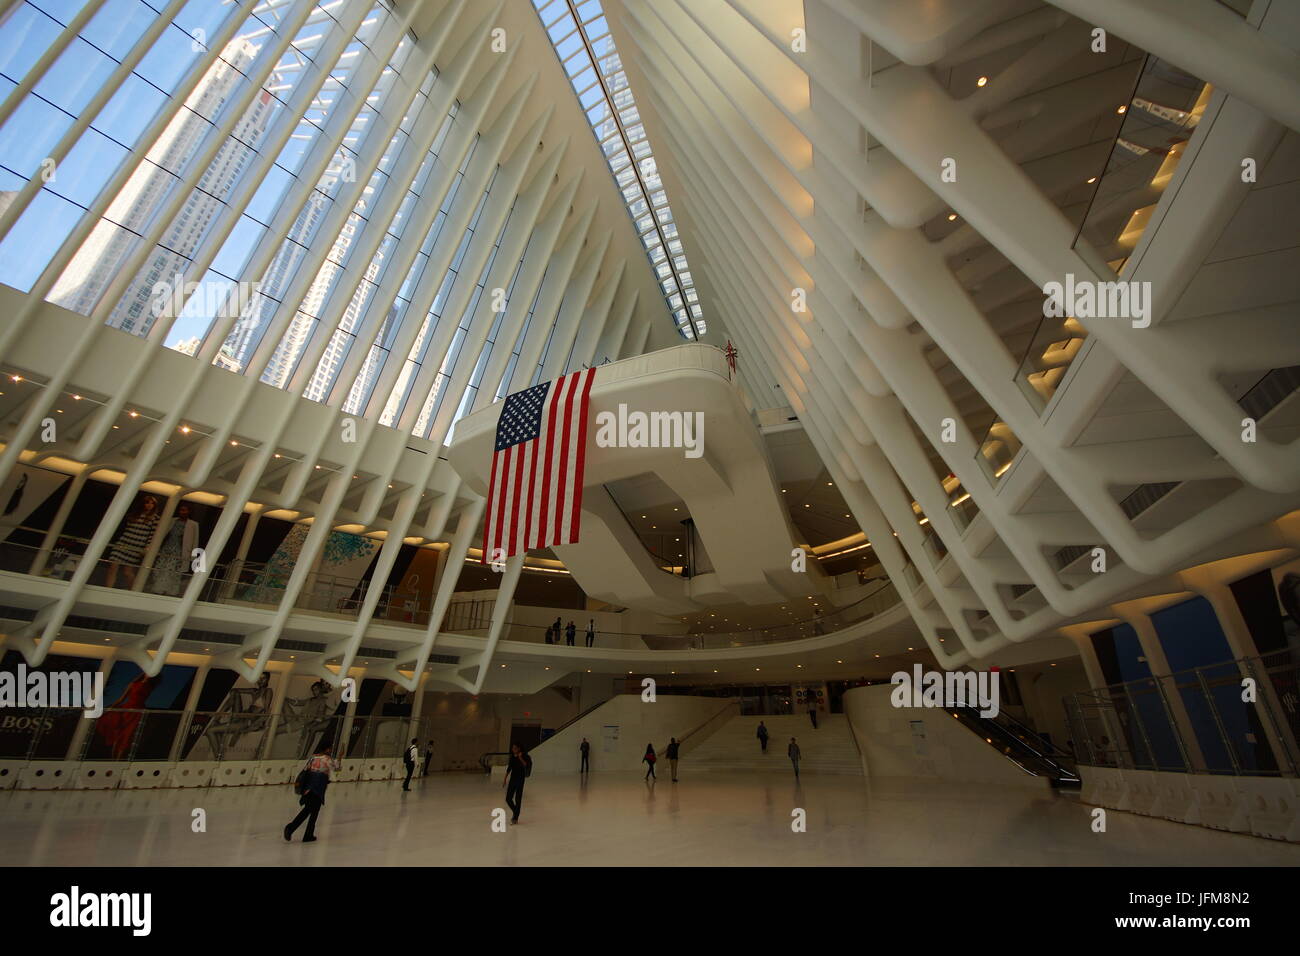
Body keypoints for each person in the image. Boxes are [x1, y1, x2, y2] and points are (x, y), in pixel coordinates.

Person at [285, 744, 339, 843]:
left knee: (314, 811)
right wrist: (339, 758)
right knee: (309, 810)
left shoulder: (313, 757)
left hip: (308, 787)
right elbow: (336, 768)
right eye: (330, 749)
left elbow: (307, 769)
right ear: (327, 749)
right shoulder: (327, 759)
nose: (330, 751)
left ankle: (308, 834)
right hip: (317, 788)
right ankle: (290, 828)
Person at [105, 494, 160, 589]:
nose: (149, 505)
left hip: (136, 547)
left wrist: (147, 547)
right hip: (124, 543)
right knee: (113, 566)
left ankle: (133, 591)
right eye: (147, 503)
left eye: (152, 503)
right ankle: (107, 589)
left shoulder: (155, 518)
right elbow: (126, 528)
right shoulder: (134, 515)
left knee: (127, 572)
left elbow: (152, 535)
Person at [150, 501, 199, 596]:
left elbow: (195, 540)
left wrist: (192, 557)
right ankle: (159, 587)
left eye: (185, 510)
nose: (182, 512)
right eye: (181, 510)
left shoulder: (193, 524)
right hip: (167, 547)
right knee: (159, 568)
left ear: (189, 512)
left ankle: (164, 589)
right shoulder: (172, 520)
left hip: (180, 550)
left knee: (172, 570)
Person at [503, 742, 532, 825]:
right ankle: (516, 811)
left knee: (518, 799)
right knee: (508, 798)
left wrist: (520, 758)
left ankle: (515, 818)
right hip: (513, 779)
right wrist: (505, 779)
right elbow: (509, 768)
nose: (513, 749)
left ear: (519, 748)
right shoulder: (512, 757)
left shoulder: (525, 756)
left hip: (520, 780)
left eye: (515, 748)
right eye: (513, 748)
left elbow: (526, 765)